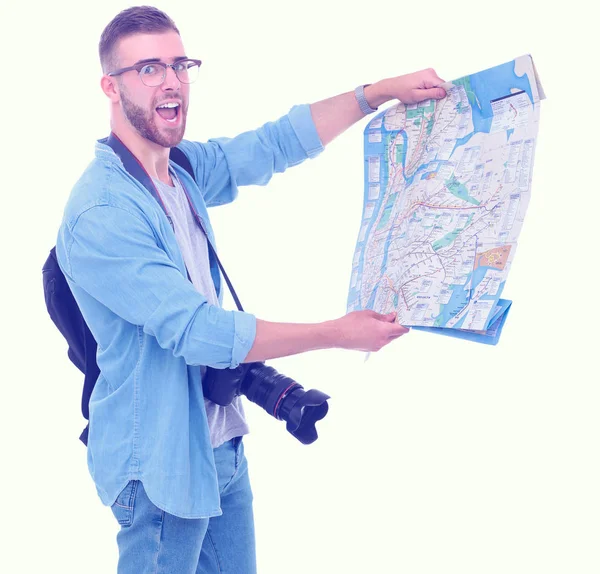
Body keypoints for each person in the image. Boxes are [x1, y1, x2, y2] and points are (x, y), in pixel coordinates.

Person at [55, 5, 446, 573]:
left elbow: (271, 145)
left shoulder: (178, 169)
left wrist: (375, 94)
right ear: (110, 87)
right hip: (160, 464)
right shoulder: (102, 210)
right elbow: (198, 331)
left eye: (179, 64)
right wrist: (337, 333)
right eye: (147, 69)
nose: (170, 81)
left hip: (219, 446)